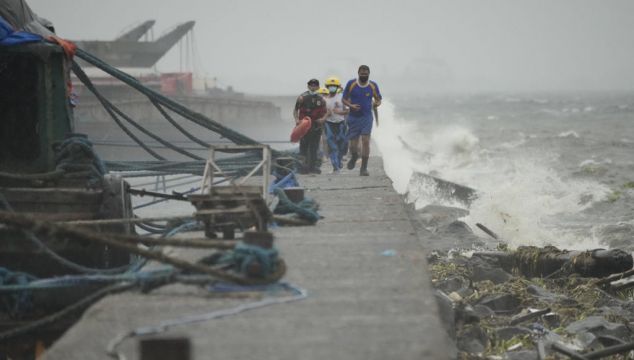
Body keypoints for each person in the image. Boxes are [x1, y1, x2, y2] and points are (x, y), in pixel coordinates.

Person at [342, 65, 382, 176]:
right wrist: (351, 106)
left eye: (366, 73)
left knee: (365, 140)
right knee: (353, 145)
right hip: (353, 118)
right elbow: (344, 99)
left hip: (367, 117)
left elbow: (379, 99)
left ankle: (363, 168)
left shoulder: (373, 85)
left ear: (368, 74)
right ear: (358, 73)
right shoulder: (351, 84)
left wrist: (376, 103)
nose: (364, 75)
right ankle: (354, 156)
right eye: (362, 73)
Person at [293, 78, 327, 174]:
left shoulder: (321, 99)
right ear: (308, 86)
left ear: (318, 87)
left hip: (316, 125)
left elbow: (325, 113)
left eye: (315, 85)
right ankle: (303, 167)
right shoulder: (302, 98)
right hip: (304, 125)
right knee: (303, 146)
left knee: (314, 147)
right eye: (311, 85)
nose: (313, 87)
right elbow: (295, 110)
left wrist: (323, 119)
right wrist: (297, 120)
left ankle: (312, 167)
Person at [323, 76, 349, 173]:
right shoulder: (324, 100)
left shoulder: (342, 98)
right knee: (332, 145)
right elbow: (323, 113)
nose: (332, 87)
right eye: (330, 86)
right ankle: (335, 166)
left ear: (337, 87)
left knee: (342, 144)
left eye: (334, 86)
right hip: (329, 124)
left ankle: (339, 161)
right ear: (327, 87)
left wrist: (339, 112)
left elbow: (347, 111)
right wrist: (325, 116)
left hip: (341, 124)